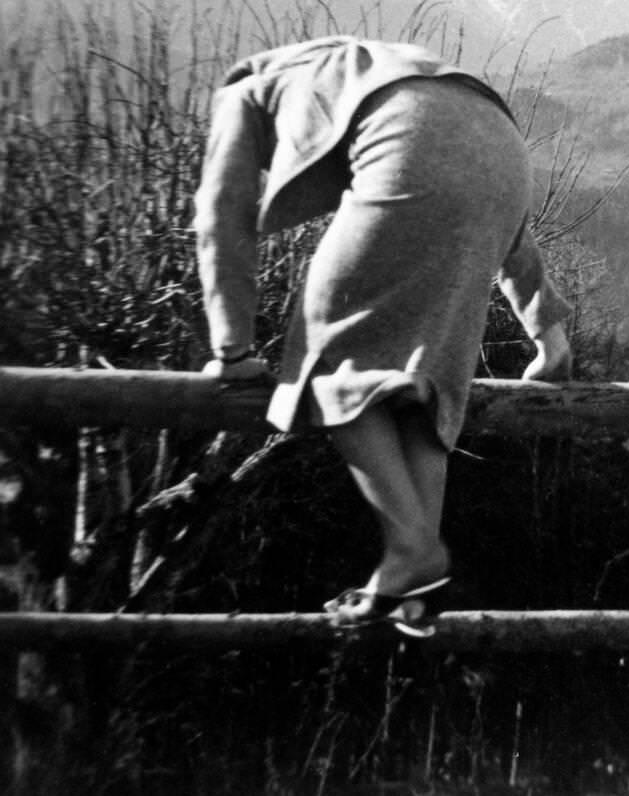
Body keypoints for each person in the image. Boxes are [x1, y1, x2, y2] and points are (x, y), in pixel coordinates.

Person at [193, 36, 573, 635]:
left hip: (409, 139)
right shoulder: (352, 64)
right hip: (502, 141)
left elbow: (221, 212)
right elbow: (490, 209)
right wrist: (547, 331)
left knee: (326, 353)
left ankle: (411, 554)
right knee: (421, 380)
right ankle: (417, 587)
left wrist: (232, 349)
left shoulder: (242, 92)